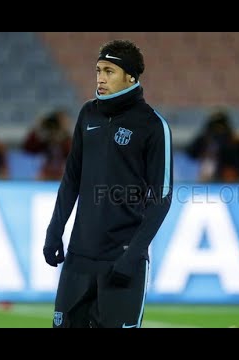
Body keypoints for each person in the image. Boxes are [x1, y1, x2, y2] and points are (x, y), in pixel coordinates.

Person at [43, 39, 173, 328]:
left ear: (131, 77)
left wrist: (132, 255)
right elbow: (71, 178)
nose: (100, 78)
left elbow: (161, 198)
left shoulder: (153, 126)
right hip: (78, 259)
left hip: (121, 261)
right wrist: (55, 230)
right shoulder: (88, 114)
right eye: (98, 70)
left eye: (109, 71)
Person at [22, 108, 72, 180]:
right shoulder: (44, 139)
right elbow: (28, 148)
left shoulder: (67, 140)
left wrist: (63, 136)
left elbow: (73, 155)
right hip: (44, 174)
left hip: (62, 175)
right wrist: (38, 128)